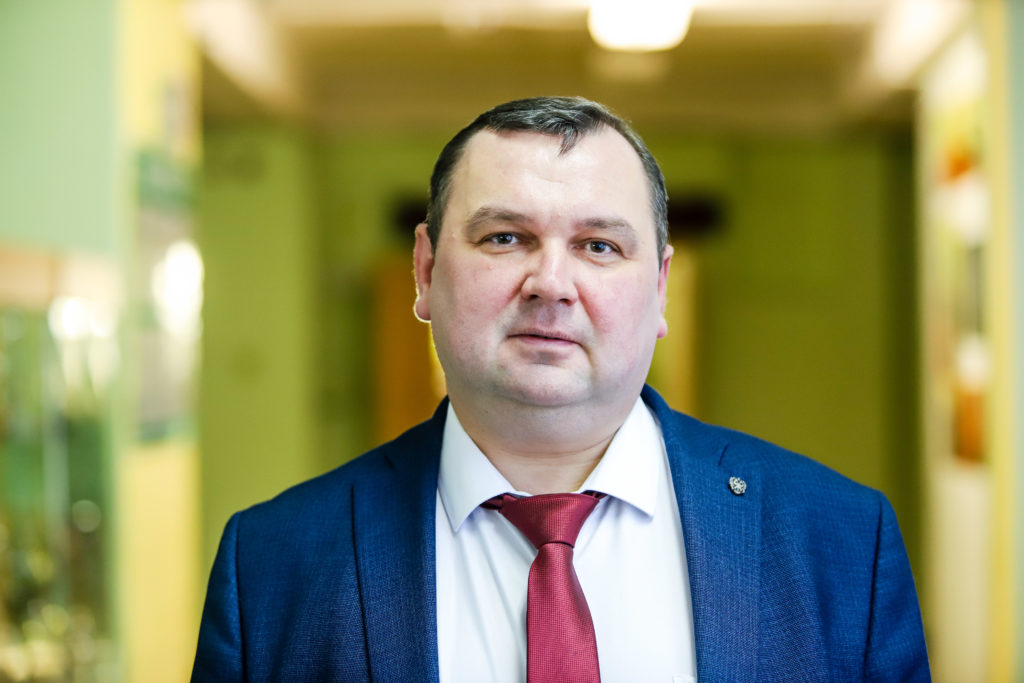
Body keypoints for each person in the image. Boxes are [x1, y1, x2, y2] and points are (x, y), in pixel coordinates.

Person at [192, 96, 929, 682]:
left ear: (661, 287)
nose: (551, 283)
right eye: (503, 237)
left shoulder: (840, 544)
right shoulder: (271, 565)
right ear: (425, 270)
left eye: (598, 245)